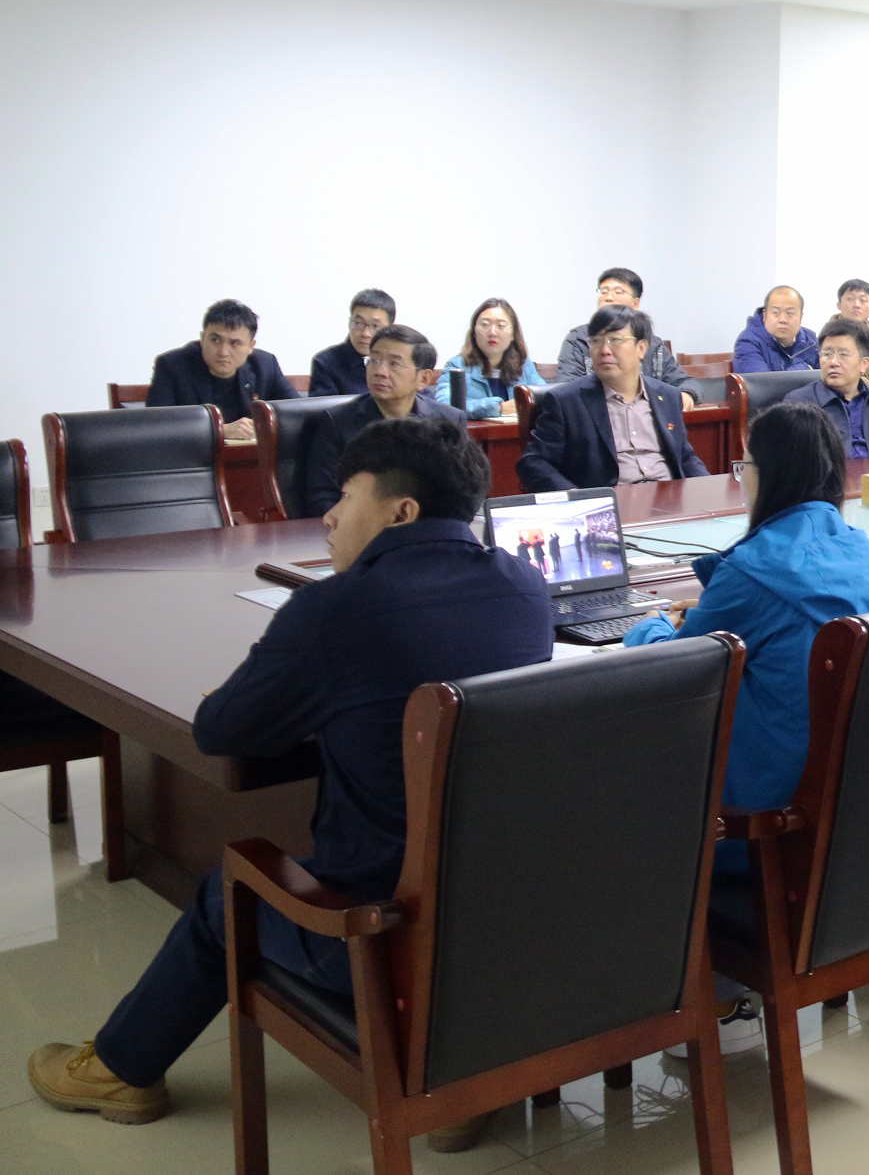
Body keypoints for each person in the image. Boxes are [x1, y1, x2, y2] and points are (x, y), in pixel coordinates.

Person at [28, 416, 550, 1144]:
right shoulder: (525, 585)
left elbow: (222, 731)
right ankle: (458, 1076)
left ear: (400, 511)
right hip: (511, 920)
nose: (330, 516)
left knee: (226, 890)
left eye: (347, 497)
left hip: (379, 933)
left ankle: (120, 1069)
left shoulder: (336, 609)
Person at [625, 402, 869, 873]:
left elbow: (671, 675)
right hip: (852, 810)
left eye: (744, 466)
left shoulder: (750, 571)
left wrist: (652, 624)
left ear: (769, 475)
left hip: (759, 821)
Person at [519, 306, 708, 491]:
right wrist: (576, 497)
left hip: (669, 498)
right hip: (611, 501)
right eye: (596, 341)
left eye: (615, 340)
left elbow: (685, 457)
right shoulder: (566, 401)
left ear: (641, 348)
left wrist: (708, 488)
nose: (604, 350)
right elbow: (534, 462)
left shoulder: (667, 396)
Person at [300, 326, 468, 517]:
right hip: (362, 527)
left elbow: (462, 489)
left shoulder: (448, 420)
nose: (380, 371)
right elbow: (322, 497)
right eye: (374, 360)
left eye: (394, 364)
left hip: (428, 526)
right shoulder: (337, 422)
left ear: (423, 378)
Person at [147, 299, 298, 441]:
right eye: (215, 340)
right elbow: (158, 424)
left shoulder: (265, 365)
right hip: (192, 455)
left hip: (250, 454)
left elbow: (296, 412)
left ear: (251, 346)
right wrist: (219, 430)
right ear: (202, 338)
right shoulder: (172, 365)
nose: (223, 352)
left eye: (235, 343)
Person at [556, 268, 697, 408]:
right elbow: (568, 387)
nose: (608, 297)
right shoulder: (579, 339)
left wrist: (686, 394)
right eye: (604, 292)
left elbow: (684, 382)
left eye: (618, 292)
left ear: (636, 303)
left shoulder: (653, 344)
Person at [784, 318, 869, 459]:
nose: (833, 362)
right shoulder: (798, 405)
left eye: (843, 355)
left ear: (864, 363)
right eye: (827, 354)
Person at [434, 297, 547, 419]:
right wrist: (498, 408)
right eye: (485, 325)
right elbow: (444, 406)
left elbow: (546, 398)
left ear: (513, 334)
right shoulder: (457, 366)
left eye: (501, 326)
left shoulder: (524, 365)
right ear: (474, 331)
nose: (492, 332)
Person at [307, 289, 396, 397]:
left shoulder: (401, 361)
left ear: (390, 329)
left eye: (375, 326)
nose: (365, 333)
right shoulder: (326, 362)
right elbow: (324, 407)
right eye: (358, 323)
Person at [734, 285, 820, 373]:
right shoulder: (748, 343)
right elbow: (762, 381)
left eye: (790, 313)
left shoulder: (811, 342)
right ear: (765, 315)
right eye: (776, 313)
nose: (783, 320)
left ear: (800, 317)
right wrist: (805, 368)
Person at [830, 278, 869, 391]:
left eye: (863, 300)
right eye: (850, 299)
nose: (856, 305)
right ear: (839, 305)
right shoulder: (826, 341)